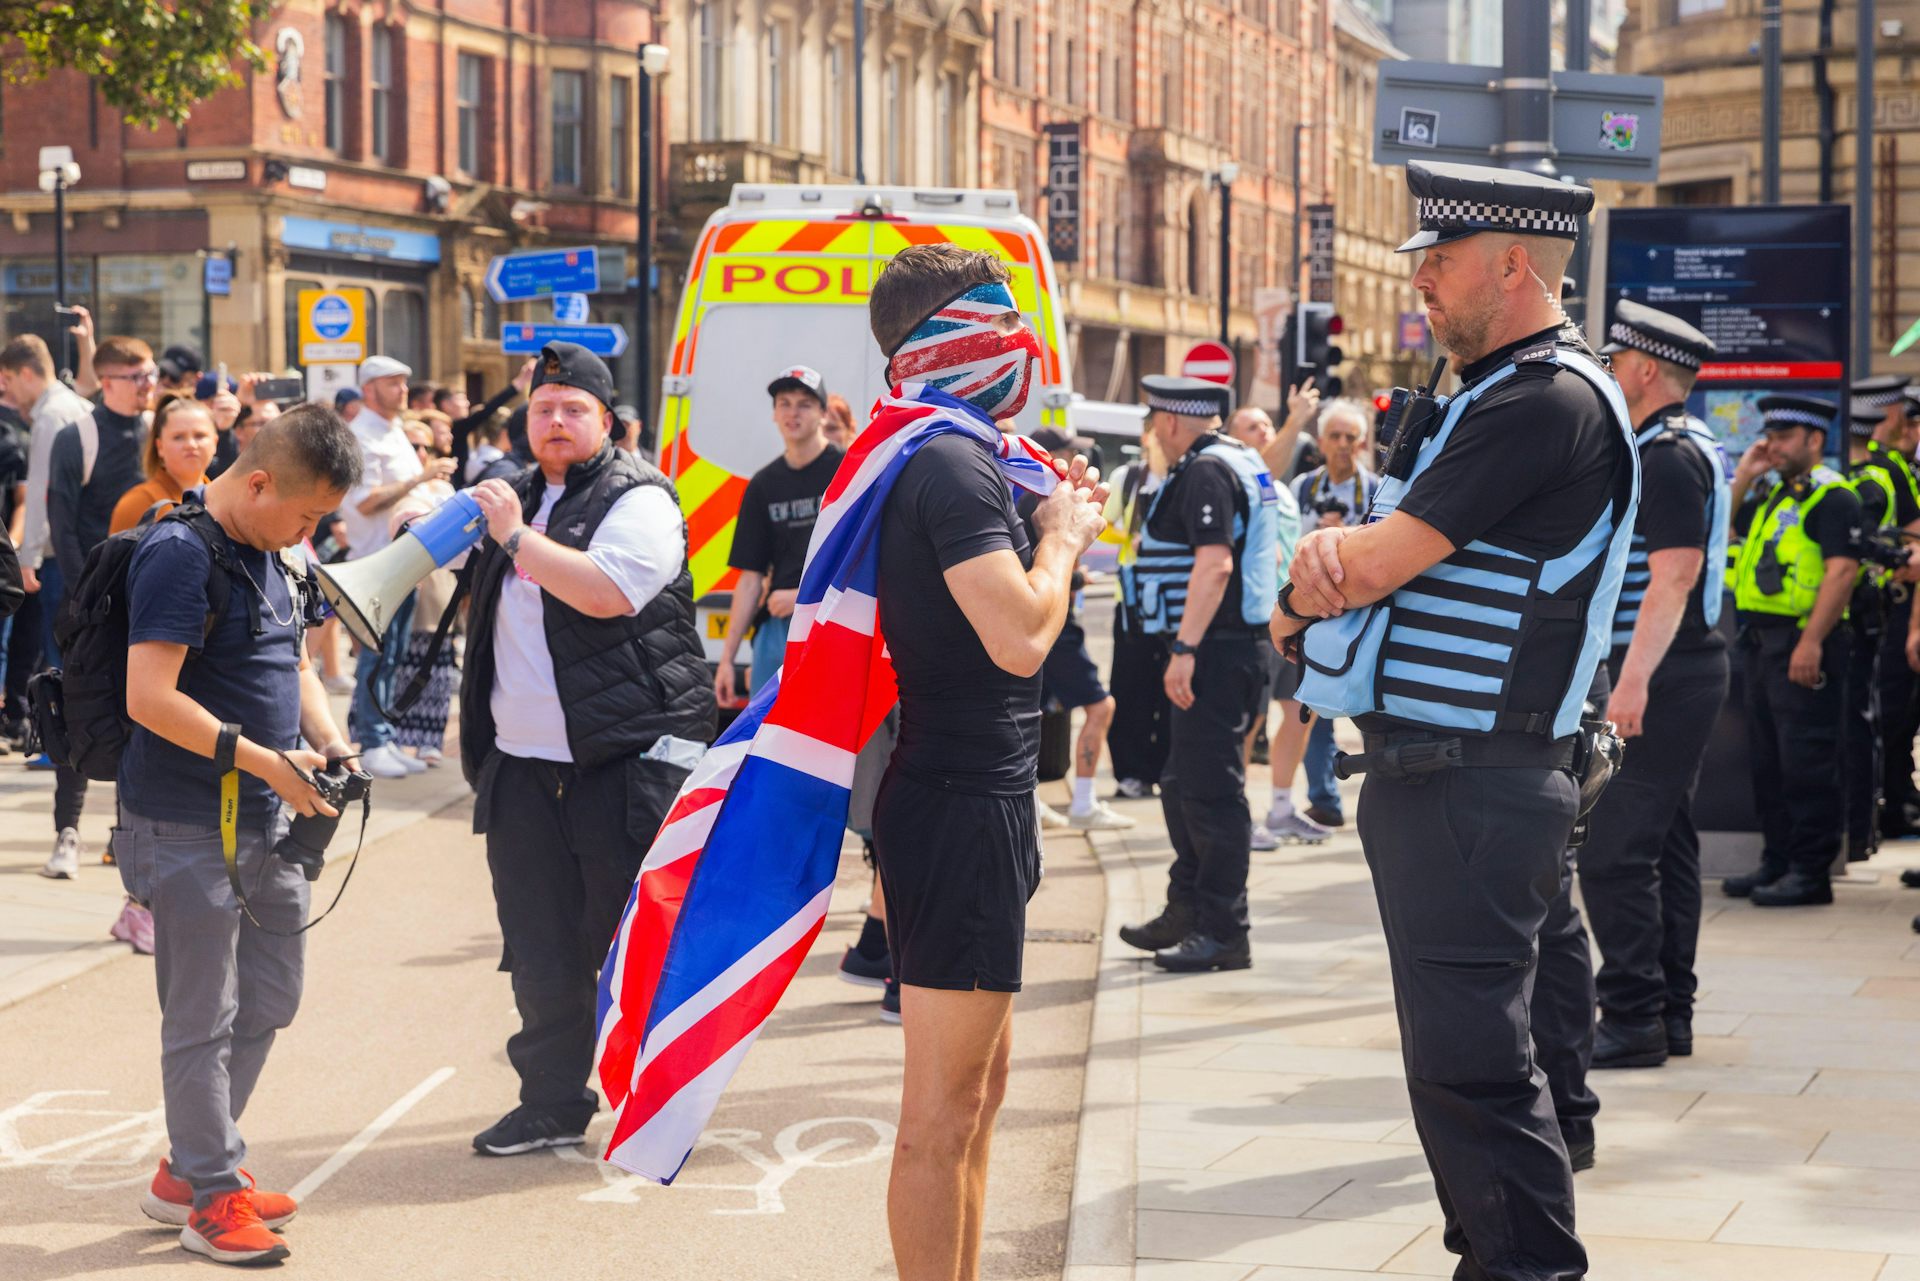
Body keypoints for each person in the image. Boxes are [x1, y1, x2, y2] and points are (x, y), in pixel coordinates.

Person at [1275, 160, 1637, 1279]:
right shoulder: (1499, 392)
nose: (1420, 279)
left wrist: (1298, 598)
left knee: (1476, 1070)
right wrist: (1318, 582)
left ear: (1515, 266)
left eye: (1441, 260)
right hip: (1447, 778)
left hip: (1477, 780)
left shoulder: (1547, 398)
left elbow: (1374, 562)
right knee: (1457, 1064)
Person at [861, 244, 1106, 1280]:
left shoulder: (956, 452)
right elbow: (1018, 638)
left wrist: (1056, 518)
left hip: (980, 800)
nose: (1025, 353)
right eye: (1005, 329)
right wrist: (1057, 541)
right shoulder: (951, 462)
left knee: (977, 1100)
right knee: (938, 1115)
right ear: (958, 343)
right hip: (959, 806)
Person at [459, 341, 715, 1156]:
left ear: (608, 421)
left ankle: (657, 1100)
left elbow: (607, 592)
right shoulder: (520, 492)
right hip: (525, 768)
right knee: (538, 946)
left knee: (632, 944)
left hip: (624, 760)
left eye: (574, 410)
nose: (557, 422)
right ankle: (552, 1100)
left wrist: (510, 537)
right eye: (543, 409)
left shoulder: (641, 498)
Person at [119, 405, 361, 1265]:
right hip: (186, 820)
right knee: (201, 1013)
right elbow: (147, 697)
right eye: (304, 516)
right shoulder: (179, 551)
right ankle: (213, 1195)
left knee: (269, 999)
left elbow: (293, 663)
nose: (310, 532)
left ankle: (190, 1169)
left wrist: (330, 743)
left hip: (270, 812)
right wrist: (264, 760)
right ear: (257, 481)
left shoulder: (275, 549)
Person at [1576, 299, 1731, 1071]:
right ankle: (1668, 1010)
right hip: (1680, 668)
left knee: (1611, 849)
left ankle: (1634, 1011)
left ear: (1642, 370)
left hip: (1663, 673)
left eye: (1613, 361)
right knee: (1666, 843)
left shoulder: (1667, 453)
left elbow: (1673, 578)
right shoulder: (1680, 444)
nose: (1606, 371)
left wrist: (1630, 684)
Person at [1115, 376, 1282, 974]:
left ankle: (1224, 931)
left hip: (1215, 650)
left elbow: (1214, 566)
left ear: (1167, 422)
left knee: (1211, 794)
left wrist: (1184, 648)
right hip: (1223, 647)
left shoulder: (1206, 472)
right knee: (1183, 783)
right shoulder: (1231, 461)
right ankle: (1185, 908)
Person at [1722, 395, 1864, 907]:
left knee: (1807, 763)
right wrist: (1743, 477)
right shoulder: (1775, 496)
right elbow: (1725, 530)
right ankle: (1778, 861)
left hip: (1803, 644)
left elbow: (1841, 573)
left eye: (1784, 438)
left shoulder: (1834, 499)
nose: (1772, 446)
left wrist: (1811, 642)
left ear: (1815, 440)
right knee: (1769, 763)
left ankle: (1810, 872)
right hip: (1763, 647)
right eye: (1770, 437)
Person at [43, 335, 158, 879]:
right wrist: (84, 596)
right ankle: (68, 831)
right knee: (78, 716)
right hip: (86, 601)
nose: (148, 385)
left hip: (149, 599)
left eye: (151, 374)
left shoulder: (161, 432)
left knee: (139, 716)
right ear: (107, 380)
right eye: (137, 377)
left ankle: (124, 833)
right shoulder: (78, 436)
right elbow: (62, 525)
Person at [340, 355, 454, 779]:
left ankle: (382, 737)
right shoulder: (361, 435)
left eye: (405, 382)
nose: (403, 390)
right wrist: (420, 479)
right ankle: (371, 742)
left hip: (404, 564)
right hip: (376, 564)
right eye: (393, 383)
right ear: (369, 389)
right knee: (377, 657)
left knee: (393, 657)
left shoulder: (392, 432)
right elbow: (366, 501)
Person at [1021, 427, 1134, 832]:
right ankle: (1083, 803)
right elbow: (1039, 569)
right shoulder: (1042, 502)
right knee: (1101, 707)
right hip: (1053, 627)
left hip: (1044, 625)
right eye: (1068, 454)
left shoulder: (1032, 500)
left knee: (1029, 717)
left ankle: (1032, 806)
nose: (1075, 465)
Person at [713, 365, 843, 705]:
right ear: (774, 414)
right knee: (766, 742)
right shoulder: (764, 484)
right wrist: (727, 659)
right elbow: (750, 577)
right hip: (777, 630)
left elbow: (863, 555)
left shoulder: (846, 472)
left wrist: (803, 596)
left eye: (804, 403)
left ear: (822, 412)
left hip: (835, 625)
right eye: (784, 403)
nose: (792, 412)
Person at [1284, 400, 1382, 831]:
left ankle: (1382, 791)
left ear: (1362, 443)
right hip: (1314, 615)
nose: (1343, 446)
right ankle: (1323, 799)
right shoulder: (1303, 487)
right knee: (1314, 707)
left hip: (1365, 617)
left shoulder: (1380, 488)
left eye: (1352, 438)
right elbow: (1286, 548)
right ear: (1321, 441)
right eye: (1335, 437)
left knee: (1369, 709)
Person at [1219, 406, 1313, 852]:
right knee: (1250, 721)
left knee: (1298, 712)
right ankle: (1237, 816)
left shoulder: (1284, 492)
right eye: (1252, 426)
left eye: (1268, 426)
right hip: (1253, 621)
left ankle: (1280, 808)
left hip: (1291, 616)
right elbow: (1263, 466)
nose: (1264, 432)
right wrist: (1297, 420)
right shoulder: (1238, 480)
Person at [1838, 376, 1920, 858]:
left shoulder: (1888, 471)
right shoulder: (1884, 468)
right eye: (1899, 416)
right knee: (1883, 717)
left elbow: (1914, 550)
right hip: (1872, 611)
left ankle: (1888, 808)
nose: (1907, 426)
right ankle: (1887, 807)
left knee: (1886, 717)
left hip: (1888, 608)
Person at [5, 335, 96, 746]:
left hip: (58, 553)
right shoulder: (74, 405)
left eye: (8, 378)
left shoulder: (50, 416)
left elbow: (42, 492)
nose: (7, 389)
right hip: (75, 547)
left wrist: (26, 559)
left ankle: (60, 744)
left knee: (59, 653)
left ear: (27, 372)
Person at [1103, 432, 1172, 799]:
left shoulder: (1186, 474)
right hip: (1131, 600)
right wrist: (1130, 536)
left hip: (1175, 601)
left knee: (1170, 690)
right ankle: (1130, 772)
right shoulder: (1127, 478)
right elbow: (1103, 525)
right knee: (1130, 687)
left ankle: (1165, 769)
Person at [388, 421, 461, 766]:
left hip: (438, 589)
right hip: (398, 588)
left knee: (436, 665)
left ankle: (431, 740)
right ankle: (392, 739)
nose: (420, 454)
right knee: (397, 665)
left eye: (425, 448)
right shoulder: (397, 486)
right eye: (412, 446)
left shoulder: (443, 490)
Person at [110, 397, 220, 534]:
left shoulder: (223, 502)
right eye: (178, 437)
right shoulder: (139, 503)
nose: (191, 445)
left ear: (215, 443)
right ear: (160, 447)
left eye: (200, 435)